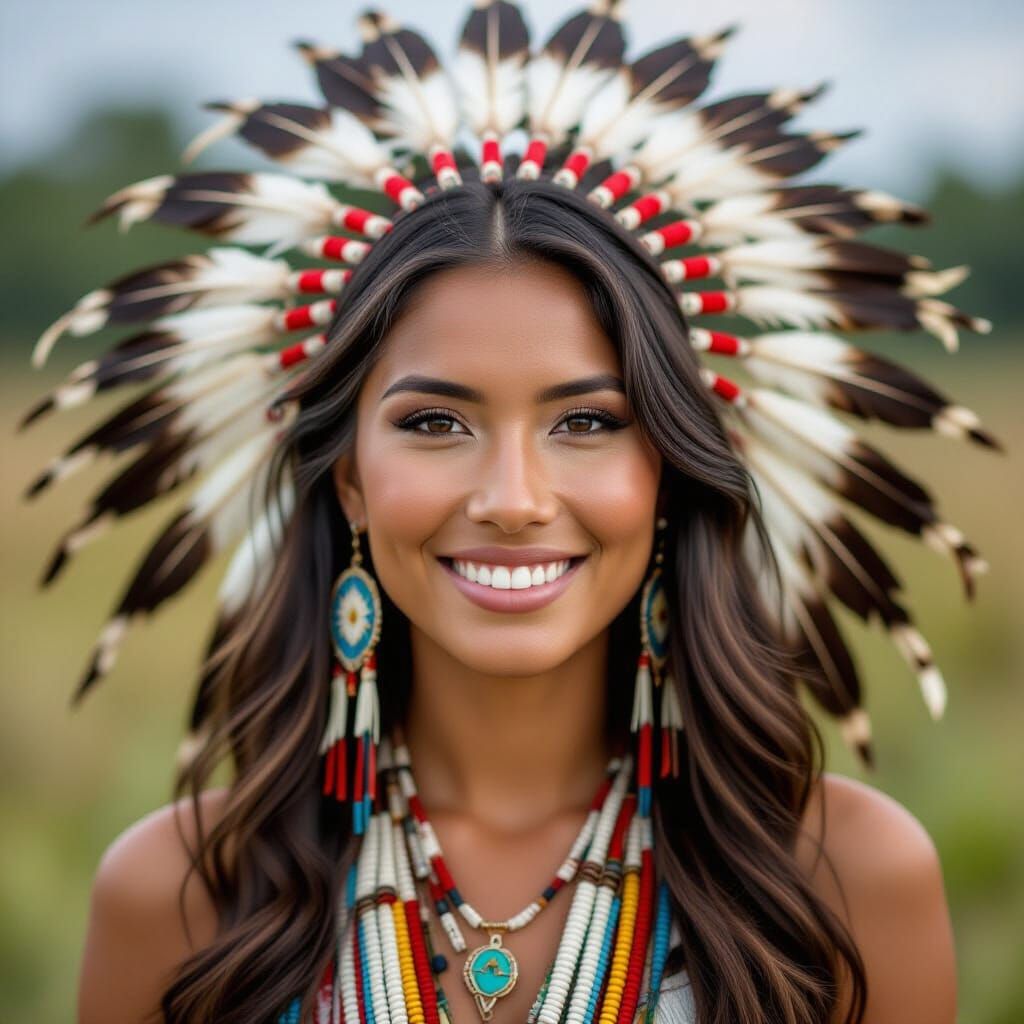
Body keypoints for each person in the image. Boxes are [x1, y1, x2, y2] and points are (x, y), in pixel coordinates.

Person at [26, 3, 992, 1022]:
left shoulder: (846, 883)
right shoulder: (179, 900)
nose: (514, 499)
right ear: (348, 477)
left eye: (585, 420)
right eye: (436, 422)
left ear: (668, 466)